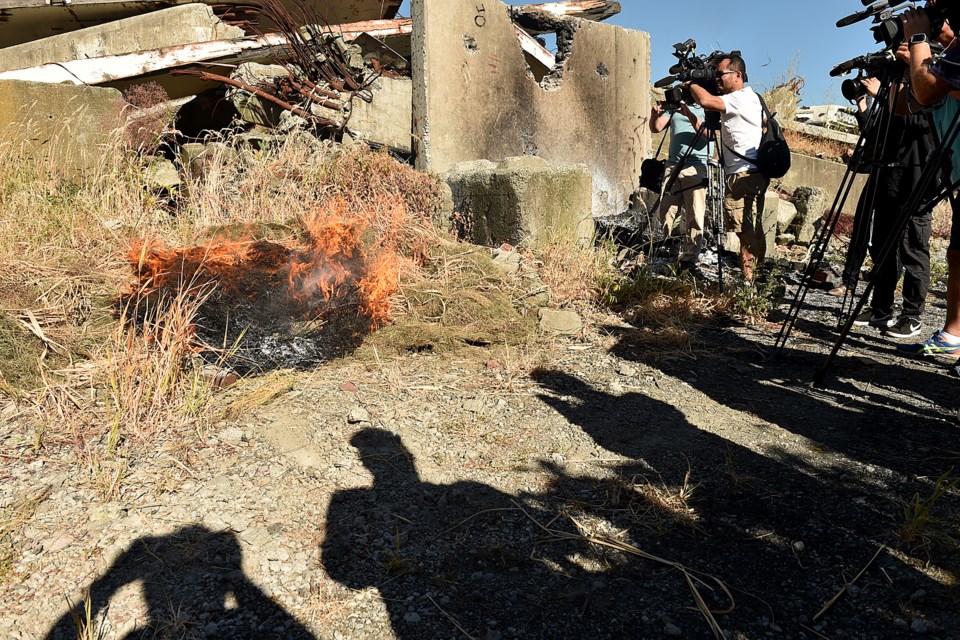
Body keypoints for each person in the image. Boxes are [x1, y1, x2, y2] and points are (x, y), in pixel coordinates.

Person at [894, 2, 960, 358]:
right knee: (957, 255)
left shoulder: (946, 59)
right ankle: (953, 335)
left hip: (934, 167)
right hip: (957, 173)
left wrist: (918, 40)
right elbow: (906, 103)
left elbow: (928, 90)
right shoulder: (943, 60)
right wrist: (908, 64)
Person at [848, 83, 938, 339]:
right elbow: (876, 133)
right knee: (881, 248)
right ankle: (880, 308)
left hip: (916, 180)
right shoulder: (892, 93)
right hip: (888, 178)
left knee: (913, 249)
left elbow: (920, 124)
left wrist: (888, 95)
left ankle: (911, 317)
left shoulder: (929, 88)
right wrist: (863, 106)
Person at [688, 54, 770, 283]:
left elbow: (706, 102)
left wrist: (691, 82)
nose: (716, 79)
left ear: (737, 75)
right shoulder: (753, 97)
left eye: (720, 74)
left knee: (744, 231)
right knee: (753, 227)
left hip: (743, 174)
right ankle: (758, 276)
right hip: (754, 171)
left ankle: (749, 283)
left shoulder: (738, 98)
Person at [829, 76, 882, 299]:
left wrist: (875, 98)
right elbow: (872, 140)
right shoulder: (876, 103)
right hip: (876, 176)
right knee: (860, 230)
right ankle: (848, 283)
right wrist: (862, 102)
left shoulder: (898, 99)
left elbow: (881, 138)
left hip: (896, 179)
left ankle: (880, 291)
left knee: (880, 237)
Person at [649, 98, 709, 271]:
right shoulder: (675, 105)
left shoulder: (708, 105)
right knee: (666, 211)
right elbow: (657, 127)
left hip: (696, 166)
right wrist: (654, 115)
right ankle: (672, 248)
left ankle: (690, 258)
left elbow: (708, 134)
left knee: (695, 214)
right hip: (672, 165)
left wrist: (687, 112)